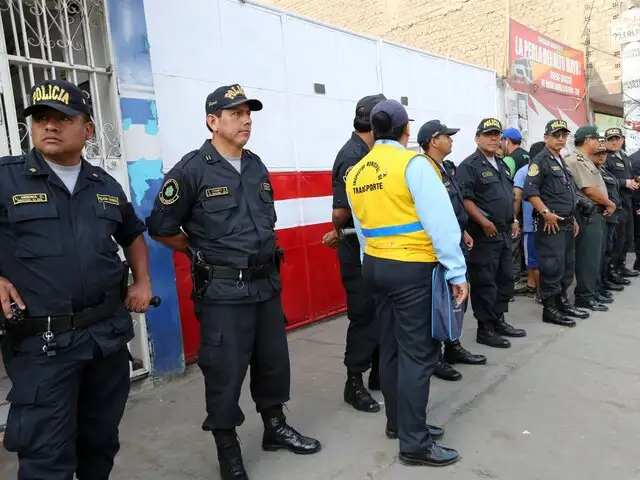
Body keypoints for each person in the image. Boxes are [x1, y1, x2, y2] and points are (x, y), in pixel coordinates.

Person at [145, 84, 321, 480]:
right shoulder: (192, 169)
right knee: (224, 372)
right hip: (223, 292)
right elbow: (161, 226)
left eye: (249, 114)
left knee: (273, 363)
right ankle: (228, 449)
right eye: (236, 113)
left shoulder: (256, 165)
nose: (245, 120)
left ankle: (274, 427)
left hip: (265, 286)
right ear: (213, 121)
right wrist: (198, 251)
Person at [0, 79, 153, 479]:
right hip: (44, 346)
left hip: (104, 338)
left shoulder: (104, 185)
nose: (49, 126)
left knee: (99, 443)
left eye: (62, 119)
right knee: (46, 456)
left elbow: (133, 233)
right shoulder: (6, 180)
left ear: (87, 130)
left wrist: (143, 283)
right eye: (41, 119)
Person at [346, 99, 467, 467]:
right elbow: (440, 222)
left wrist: (372, 264)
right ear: (405, 131)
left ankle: (399, 424)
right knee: (419, 354)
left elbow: (363, 232)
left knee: (394, 348)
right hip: (411, 267)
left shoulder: (357, 172)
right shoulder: (412, 164)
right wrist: (457, 272)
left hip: (377, 267)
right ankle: (414, 443)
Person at [417, 119, 487, 382]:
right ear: (433, 141)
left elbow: (453, 208)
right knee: (439, 302)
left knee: (459, 297)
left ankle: (453, 346)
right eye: (447, 136)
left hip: (455, 240)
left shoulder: (445, 168)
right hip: (438, 247)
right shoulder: (424, 170)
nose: (452, 139)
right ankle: (435, 357)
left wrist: (463, 231)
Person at [329, 94, 386, 413]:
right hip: (357, 252)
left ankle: (378, 373)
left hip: (373, 251)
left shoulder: (369, 152)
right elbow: (341, 211)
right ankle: (354, 383)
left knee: (379, 313)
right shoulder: (353, 156)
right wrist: (337, 228)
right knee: (364, 316)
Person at [456, 118, 526, 349]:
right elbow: (465, 199)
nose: (494, 138)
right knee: (485, 283)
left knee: (505, 279)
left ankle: (499, 320)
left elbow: (507, 195)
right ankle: (485, 329)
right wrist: (484, 222)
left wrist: (514, 219)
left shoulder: (501, 163)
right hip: (484, 235)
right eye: (488, 134)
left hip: (504, 232)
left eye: (497, 134)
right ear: (477, 138)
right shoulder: (470, 166)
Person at [523, 119, 588, 328]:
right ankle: (549, 308)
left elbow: (569, 193)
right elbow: (530, 192)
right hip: (551, 224)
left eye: (563, 135)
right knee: (552, 266)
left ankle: (562, 303)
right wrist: (545, 213)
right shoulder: (540, 160)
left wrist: (574, 220)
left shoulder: (560, 160)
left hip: (567, 223)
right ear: (546, 138)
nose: (561, 139)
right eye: (556, 135)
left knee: (567, 266)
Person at [565, 126, 616, 311]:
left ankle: (592, 292)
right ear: (588, 141)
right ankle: (585, 297)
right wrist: (609, 203)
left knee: (595, 256)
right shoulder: (576, 160)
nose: (599, 143)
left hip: (595, 213)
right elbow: (589, 190)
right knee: (588, 257)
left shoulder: (585, 160)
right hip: (586, 214)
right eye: (597, 139)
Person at [605, 127, 640, 279]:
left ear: (622, 140)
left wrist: (634, 181)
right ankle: (612, 270)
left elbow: (630, 177)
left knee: (626, 238)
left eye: (616, 139)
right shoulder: (605, 157)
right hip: (615, 203)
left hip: (627, 203)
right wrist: (624, 182)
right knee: (617, 240)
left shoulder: (624, 156)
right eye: (610, 139)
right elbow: (604, 180)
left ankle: (621, 266)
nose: (614, 142)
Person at [513, 141, 545, 303]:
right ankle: (532, 284)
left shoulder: (524, 171)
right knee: (538, 258)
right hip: (545, 222)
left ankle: (540, 292)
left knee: (533, 259)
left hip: (531, 225)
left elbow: (517, 196)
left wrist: (514, 218)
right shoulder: (545, 169)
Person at [594, 138, 620, 301]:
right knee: (600, 254)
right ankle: (598, 286)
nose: (602, 156)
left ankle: (603, 281)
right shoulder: (594, 172)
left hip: (612, 215)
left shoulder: (604, 171)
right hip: (602, 215)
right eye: (599, 153)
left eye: (604, 153)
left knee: (608, 250)